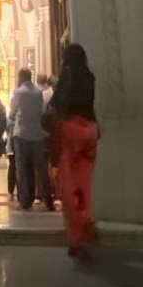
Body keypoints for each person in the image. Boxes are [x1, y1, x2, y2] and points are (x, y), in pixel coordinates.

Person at [49, 44, 100, 259]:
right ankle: (86, 225)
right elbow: (90, 106)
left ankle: (77, 238)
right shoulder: (89, 77)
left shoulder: (67, 77)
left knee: (69, 188)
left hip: (71, 133)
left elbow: (59, 103)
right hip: (88, 132)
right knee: (84, 187)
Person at [9, 68, 53, 211]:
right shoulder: (38, 92)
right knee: (41, 169)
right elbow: (41, 111)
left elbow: (12, 112)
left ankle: (24, 200)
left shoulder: (18, 92)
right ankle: (48, 199)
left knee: (22, 168)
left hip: (21, 134)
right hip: (36, 135)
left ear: (21, 77)